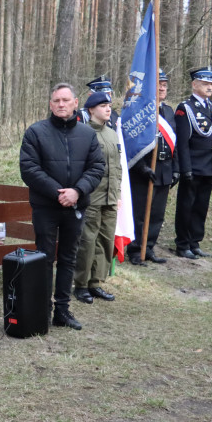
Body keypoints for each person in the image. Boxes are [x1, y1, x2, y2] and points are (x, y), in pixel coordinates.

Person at [19, 83, 104, 331]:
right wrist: (59, 193)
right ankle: (42, 309)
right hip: (46, 206)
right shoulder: (35, 132)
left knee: (68, 258)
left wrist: (77, 191)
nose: (61, 104)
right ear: (50, 104)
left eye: (66, 100)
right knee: (44, 257)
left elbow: (96, 168)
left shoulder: (88, 135)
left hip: (76, 206)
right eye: (56, 100)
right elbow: (30, 169)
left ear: (76, 103)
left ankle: (62, 310)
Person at [73, 92, 122, 305]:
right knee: (88, 241)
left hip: (110, 197)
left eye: (109, 105)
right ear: (91, 110)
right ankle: (81, 284)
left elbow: (118, 168)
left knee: (105, 241)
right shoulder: (82, 133)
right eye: (103, 105)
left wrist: (118, 195)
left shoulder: (112, 133)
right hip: (92, 196)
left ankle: (96, 283)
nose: (108, 109)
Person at [127, 70, 178, 265]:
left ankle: (148, 248)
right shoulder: (139, 111)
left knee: (157, 213)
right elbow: (132, 143)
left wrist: (176, 169)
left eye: (165, 84)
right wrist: (141, 167)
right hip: (144, 171)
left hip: (164, 169)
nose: (163, 87)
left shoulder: (168, 111)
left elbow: (176, 142)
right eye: (159, 84)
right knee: (140, 213)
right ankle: (135, 249)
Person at [174, 66, 212, 259]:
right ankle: (182, 244)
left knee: (201, 206)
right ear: (195, 85)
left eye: (211, 83)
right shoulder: (185, 108)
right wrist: (185, 168)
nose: (209, 87)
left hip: (209, 166)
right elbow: (183, 142)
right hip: (193, 166)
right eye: (205, 83)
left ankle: (195, 242)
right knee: (187, 205)